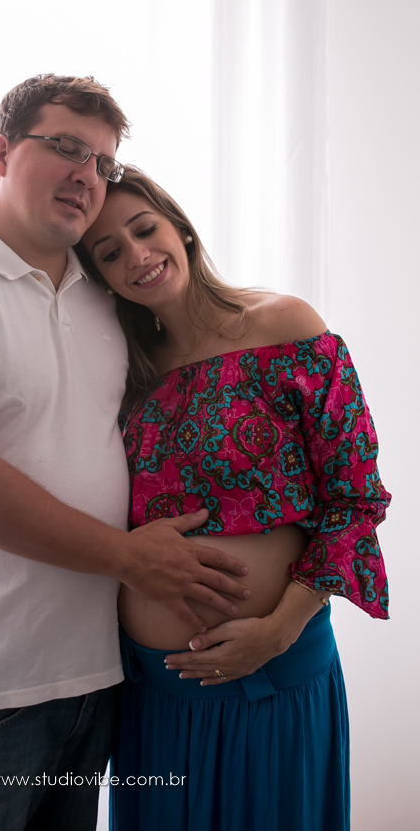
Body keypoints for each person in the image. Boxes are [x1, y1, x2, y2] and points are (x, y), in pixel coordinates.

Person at [0, 75, 253, 831]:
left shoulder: (105, 293)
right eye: (67, 147)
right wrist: (134, 560)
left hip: (94, 679)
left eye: (103, 162)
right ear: (0, 153)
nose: (88, 174)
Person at [78, 167, 390, 831]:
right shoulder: (124, 369)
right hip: (155, 692)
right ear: (100, 276)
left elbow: (354, 500)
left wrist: (277, 632)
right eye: (109, 252)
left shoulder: (284, 324)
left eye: (145, 229)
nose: (136, 255)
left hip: (274, 670)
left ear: (182, 230)